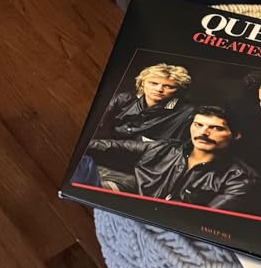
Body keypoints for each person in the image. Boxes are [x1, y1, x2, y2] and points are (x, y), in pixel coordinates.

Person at [81, 62, 194, 192]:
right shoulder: (123, 99)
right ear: (142, 83)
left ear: (179, 90)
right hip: (101, 158)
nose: (159, 89)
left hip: (139, 171)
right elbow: (95, 128)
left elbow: (170, 151)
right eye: (153, 83)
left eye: (168, 86)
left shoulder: (187, 113)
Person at [131, 104, 260, 212]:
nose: (203, 133)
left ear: (236, 135)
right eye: (198, 125)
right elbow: (112, 145)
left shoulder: (240, 178)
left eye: (216, 128)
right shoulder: (166, 148)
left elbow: (201, 219)